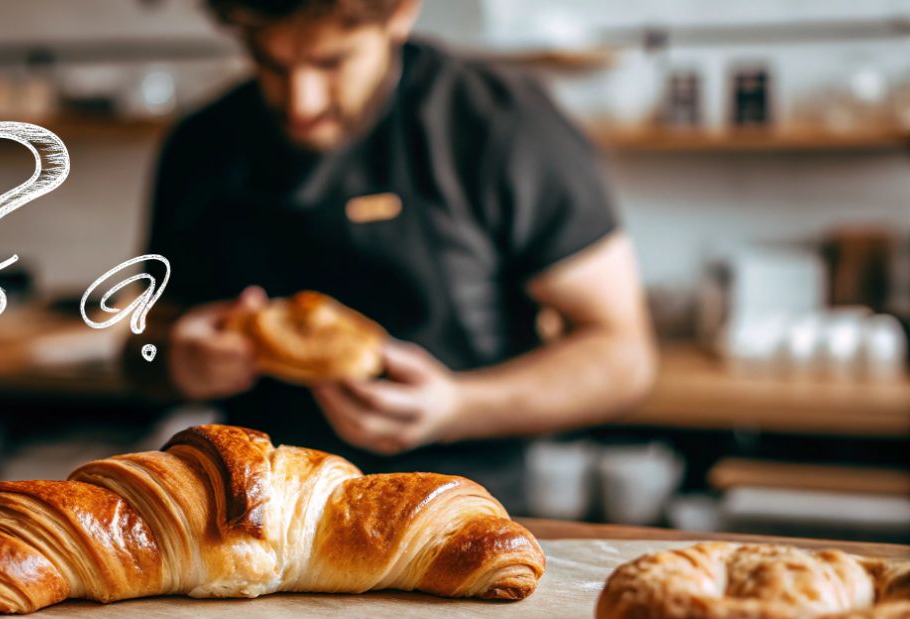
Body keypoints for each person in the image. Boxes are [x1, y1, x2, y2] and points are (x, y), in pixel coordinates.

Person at [128, 0, 656, 511]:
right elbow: (139, 350)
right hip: (258, 520)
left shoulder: (502, 126)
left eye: (331, 62)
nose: (301, 103)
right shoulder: (200, 146)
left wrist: (457, 408)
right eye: (271, 64)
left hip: (460, 519)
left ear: (401, 11)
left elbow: (622, 356)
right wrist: (178, 359)